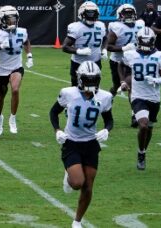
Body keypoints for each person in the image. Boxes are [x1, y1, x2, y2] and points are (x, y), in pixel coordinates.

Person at [49, 61, 113, 228]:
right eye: (87, 79)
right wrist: (57, 130)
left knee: (88, 186)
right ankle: (68, 175)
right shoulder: (68, 93)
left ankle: (77, 221)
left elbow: (109, 119)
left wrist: (107, 130)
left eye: (94, 80)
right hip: (71, 142)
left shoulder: (105, 97)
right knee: (77, 183)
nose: (91, 84)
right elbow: (53, 112)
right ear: (80, 79)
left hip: (91, 143)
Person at [121, 28, 161, 170]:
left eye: (149, 41)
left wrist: (156, 80)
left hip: (154, 97)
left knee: (150, 127)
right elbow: (121, 66)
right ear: (139, 40)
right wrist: (123, 81)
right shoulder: (130, 54)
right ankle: (141, 154)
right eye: (144, 41)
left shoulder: (160, 55)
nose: (146, 44)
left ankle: (143, 151)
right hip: (138, 96)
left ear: (153, 41)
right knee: (143, 125)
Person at [0, 6, 33, 136]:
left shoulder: (22, 31)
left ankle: (12, 118)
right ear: (2, 20)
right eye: (9, 19)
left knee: (15, 89)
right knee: (0, 96)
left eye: (14, 19)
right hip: (1, 69)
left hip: (16, 67)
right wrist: (0, 47)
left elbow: (26, 42)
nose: (12, 22)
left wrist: (29, 55)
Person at [62, 2, 107, 86]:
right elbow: (65, 47)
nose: (91, 16)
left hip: (96, 62)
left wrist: (104, 49)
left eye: (93, 13)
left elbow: (105, 39)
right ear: (81, 14)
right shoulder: (76, 27)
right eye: (88, 13)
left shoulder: (101, 26)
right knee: (76, 90)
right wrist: (79, 51)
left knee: (95, 88)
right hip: (78, 63)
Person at [105, 4, 144, 99]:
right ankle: (108, 100)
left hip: (134, 61)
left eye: (130, 13)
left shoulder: (140, 25)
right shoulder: (116, 27)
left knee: (133, 86)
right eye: (126, 13)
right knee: (117, 85)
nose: (129, 16)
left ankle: (135, 110)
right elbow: (108, 46)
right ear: (120, 15)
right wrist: (123, 48)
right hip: (118, 61)